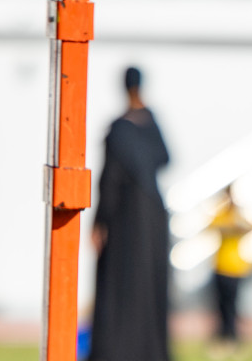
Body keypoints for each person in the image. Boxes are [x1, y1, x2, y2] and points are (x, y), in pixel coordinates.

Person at [90, 66, 172, 361]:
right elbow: (165, 158)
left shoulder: (120, 129)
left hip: (125, 217)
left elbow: (108, 180)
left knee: (119, 282)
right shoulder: (150, 122)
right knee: (148, 283)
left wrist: (99, 221)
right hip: (152, 214)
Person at [209, 184, 252, 355]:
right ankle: (223, 338)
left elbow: (249, 227)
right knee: (221, 305)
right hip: (220, 267)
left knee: (233, 306)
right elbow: (214, 228)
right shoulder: (221, 215)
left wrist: (235, 219)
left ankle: (233, 338)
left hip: (235, 268)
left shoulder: (238, 215)